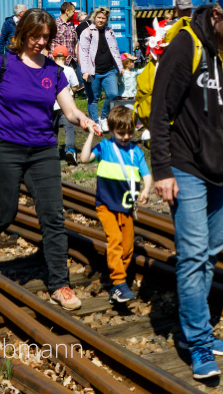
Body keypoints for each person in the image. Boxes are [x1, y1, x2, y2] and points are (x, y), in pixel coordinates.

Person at [0, 9, 96, 311]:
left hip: (42, 150)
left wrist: (83, 119)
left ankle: (60, 286)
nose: (40, 42)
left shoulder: (53, 72)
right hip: (2, 147)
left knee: (53, 217)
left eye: (46, 37)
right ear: (22, 35)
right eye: (35, 36)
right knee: (5, 212)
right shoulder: (2, 63)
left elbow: (69, 110)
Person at [148, 0, 223, 380]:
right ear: (217, 13)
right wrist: (161, 169)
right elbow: (160, 112)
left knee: (212, 250)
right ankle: (198, 341)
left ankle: (196, 332)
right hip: (186, 165)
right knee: (193, 254)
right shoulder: (184, 48)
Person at [80, 105, 152, 304]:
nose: (126, 136)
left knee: (127, 247)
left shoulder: (136, 152)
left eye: (129, 132)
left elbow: (146, 174)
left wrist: (146, 189)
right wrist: (89, 137)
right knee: (115, 241)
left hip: (126, 207)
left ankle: (116, 288)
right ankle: (119, 282)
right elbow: (84, 158)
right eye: (121, 133)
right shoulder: (105, 147)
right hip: (106, 205)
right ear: (111, 130)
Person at [79, 7, 125, 129]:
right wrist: (85, 71)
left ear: (106, 19)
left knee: (113, 94)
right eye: (99, 17)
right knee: (93, 98)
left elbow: (115, 50)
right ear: (94, 18)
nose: (101, 20)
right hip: (93, 71)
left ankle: (103, 117)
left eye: (103, 18)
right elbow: (83, 52)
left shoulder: (109, 31)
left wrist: (120, 68)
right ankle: (95, 122)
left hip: (108, 70)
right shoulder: (87, 32)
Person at [50, 46, 83, 164]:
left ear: (53, 57)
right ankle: (69, 149)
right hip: (65, 105)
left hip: (51, 105)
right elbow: (75, 86)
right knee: (69, 128)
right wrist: (72, 91)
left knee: (52, 129)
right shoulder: (69, 70)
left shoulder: (49, 69)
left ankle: (52, 151)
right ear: (66, 57)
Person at [51, 2, 78, 69]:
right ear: (67, 11)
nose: (74, 13)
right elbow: (48, 43)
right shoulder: (54, 24)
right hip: (57, 61)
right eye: (73, 11)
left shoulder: (71, 24)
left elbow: (74, 42)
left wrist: (75, 56)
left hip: (70, 62)